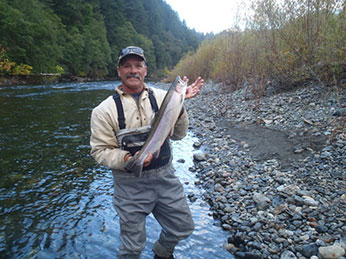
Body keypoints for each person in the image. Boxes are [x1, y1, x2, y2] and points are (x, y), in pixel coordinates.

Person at [90, 46, 204, 259]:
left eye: (138, 65)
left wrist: (179, 105)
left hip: (165, 178)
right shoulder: (103, 111)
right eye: (127, 66)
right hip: (129, 185)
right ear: (119, 71)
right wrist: (128, 159)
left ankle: (162, 252)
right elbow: (100, 151)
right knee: (132, 248)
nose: (133, 70)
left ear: (145, 70)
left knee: (183, 227)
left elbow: (178, 135)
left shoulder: (165, 97)